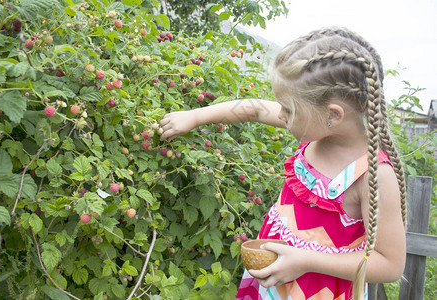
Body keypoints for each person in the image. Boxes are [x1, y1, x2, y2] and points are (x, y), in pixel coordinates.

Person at [158, 27, 407, 300]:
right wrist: (194, 116)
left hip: (320, 291)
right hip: (277, 282)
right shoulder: (318, 126)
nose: (282, 116)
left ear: (333, 115)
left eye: (288, 110)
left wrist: (305, 260)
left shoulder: (373, 175)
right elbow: (253, 108)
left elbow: (390, 264)